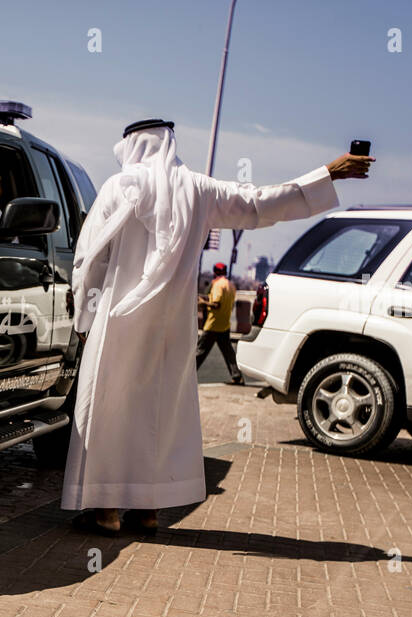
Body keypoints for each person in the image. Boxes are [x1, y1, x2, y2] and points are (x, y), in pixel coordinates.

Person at [63, 119, 373, 534]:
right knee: (161, 414)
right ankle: (149, 510)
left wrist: (84, 313)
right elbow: (260, 203)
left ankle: (105, 512)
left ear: (134, 145)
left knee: (109, 409)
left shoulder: (120, 186)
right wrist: (328, 173)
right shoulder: (199, 190)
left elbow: (89, 256)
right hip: (172, 328)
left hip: (118, 319)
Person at [195, 262, 243, 384]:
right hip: (224, 324)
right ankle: (236, 376)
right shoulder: (231, 286)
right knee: (228, 353)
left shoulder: (217, 285)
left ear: (215, 272)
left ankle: (188, 375)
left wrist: (202, 303)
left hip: (213, 324)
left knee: (200, 351)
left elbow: (216, 304)